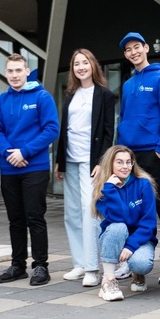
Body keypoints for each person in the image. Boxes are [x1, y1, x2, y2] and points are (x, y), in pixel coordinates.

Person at [0, 53, 60, 286]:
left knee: (35, 217)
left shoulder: (42, 97)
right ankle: (18, 265)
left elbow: (51, 129)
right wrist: (8, 153)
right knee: (15, 219)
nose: (14, 75)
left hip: (35, 167)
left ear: (27, 71)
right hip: (9, 167)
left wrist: (25, 152)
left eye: (18, 70)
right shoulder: (1, 100)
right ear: (6, 73)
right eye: (10, 71)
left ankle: (41, 266)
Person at [115, 32, 160, 283]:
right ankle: (131, 260)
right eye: (128, 49)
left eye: (137, 47)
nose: (133, 52)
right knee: (133, 208)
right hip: (129, 155)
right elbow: (124, 118)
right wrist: (120, 152)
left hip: (152, 152)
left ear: (146, 48)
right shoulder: (128, 84)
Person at [55, 48, 115, 288]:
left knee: (89, 211)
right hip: (69, 160)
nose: (81, 67)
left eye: (85, 63)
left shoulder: (104, 95)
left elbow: (108, 132)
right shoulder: (71, 94)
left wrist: (102, 162)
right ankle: (79, 263)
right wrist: (59, 160)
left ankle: (92, 267)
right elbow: (65, 129)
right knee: (71, 214)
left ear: (93, 65)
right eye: (76, 64)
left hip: (91, 162)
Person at [92, 145, 158, 301]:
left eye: (128, 162)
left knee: (141, 263)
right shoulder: (104, 188)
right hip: (115, 237)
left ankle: (137, 273)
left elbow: (149, 223)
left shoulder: (143, 184)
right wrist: (110, 189)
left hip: (140, 239)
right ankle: (108, 280)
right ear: (110, 164)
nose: (125, 166)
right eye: (119, 162)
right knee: (118, 227)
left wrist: (131, 246)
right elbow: (119, 217)